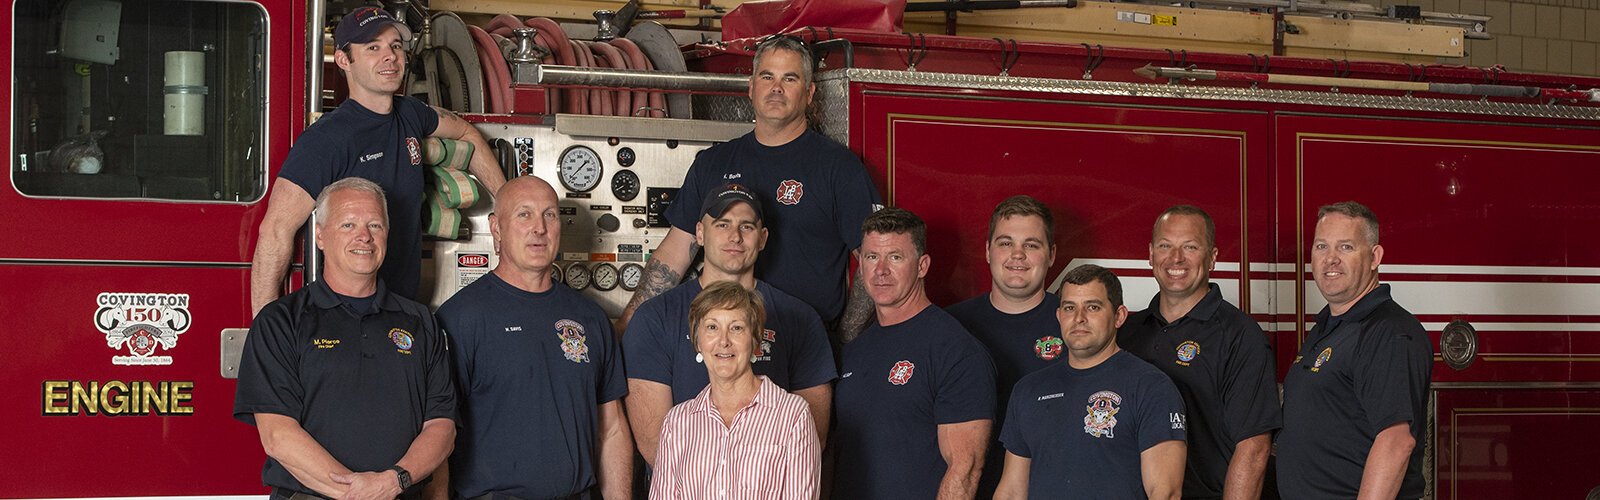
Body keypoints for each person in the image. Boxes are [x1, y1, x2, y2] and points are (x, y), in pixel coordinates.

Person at [616, 35, 882, 341]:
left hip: (802, 346)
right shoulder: (713, 163)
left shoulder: (839, 168)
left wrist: (844, 341)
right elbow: (675, 254)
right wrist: (627, 325)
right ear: (751, 87)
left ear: (809, 93)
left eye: (790, 78)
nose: (776, 88)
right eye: (767, 76)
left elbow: (875, 258)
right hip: (721, 343)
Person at [250, 6, 507, 316]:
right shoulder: (327, 140)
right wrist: (263, 333)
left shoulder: (411, 114)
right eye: (373, 47)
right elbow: (275, 231)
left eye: (395, 46)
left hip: (402, 312)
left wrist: (506, 205)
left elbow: (467, 134)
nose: (390, 56)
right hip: (343, 318)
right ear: (344, 60)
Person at [234, 177, 455, 499]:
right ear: (320, 236)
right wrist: (357, 492)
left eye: (375, 225)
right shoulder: (280, 322)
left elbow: (441, 428)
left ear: (387, 235)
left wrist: (391, 482)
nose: (363, 237)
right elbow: (278, 435)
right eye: (348, 224)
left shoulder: (421, 323)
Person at [436, 176, 632, 499]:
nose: (539, 228)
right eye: (524, 214)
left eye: (550, 215)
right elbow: (437, 437)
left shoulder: (590, 319)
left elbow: (611, 430)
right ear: (496, 229)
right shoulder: (460, 319)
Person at [624, 184, 835, 467]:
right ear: (700, 233)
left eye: (746, 226)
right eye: (722, 224)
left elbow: (812, 439)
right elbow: (655, 442)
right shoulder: (655, 318)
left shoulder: (800, 319)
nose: (735, 236)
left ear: (762, 238)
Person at [1117, 206, 1279, 500]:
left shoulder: (1240, 335)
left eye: (1190, 247)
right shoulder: (1126, 332)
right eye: (1166, 246)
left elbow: (1254, 448)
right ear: (1151, 254)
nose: (1176, 258)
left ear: (1212, 257)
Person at [833, 207, 996, 499]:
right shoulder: (854, 351)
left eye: (895, 257)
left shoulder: (954, 349)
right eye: (871, 257)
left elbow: (966, 468)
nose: (880, 270)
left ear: (922, 266)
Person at [1277, 201, 1431, 499]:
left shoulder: (1388, 333)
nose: (1330, 259)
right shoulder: (1328, 327)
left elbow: (1396, 442)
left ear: (1375, 257)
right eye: (1321, 246)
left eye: (1346, 247)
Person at [995, 264, 1187, 500]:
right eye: (1069, 308)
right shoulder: (1028, 390)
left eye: (1093, 307)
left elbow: (1165, 493)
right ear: (1059, 316)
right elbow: (1012, 492)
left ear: (1119, 316)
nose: (1079, 318)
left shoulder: (1150, 387)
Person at [649, 281, 821, 499]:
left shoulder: (792, 415)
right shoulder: (677, 422)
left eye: (736, 328)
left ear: (755, 341)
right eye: (712, 327)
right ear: (697, 341)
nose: (723, 341)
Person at [945, 195, 1063, 497]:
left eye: (1032, 245)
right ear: (987, 251)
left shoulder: (1076, 325)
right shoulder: (950, 327)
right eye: (1005, 243)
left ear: (1051, 255)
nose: (1017, 255)